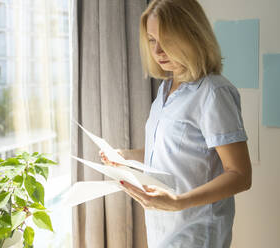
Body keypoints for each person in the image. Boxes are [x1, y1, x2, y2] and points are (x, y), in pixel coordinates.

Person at [99, 0, 252, 247]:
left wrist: (178, 201)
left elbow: (240, 175)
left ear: (192, 35)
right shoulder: (166, 90)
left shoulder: (213, 92)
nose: (158, 51)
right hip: (162, 228)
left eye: (166, 40)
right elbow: (173, 154)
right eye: (151, 40)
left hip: (196, 232)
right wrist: (126, 157)